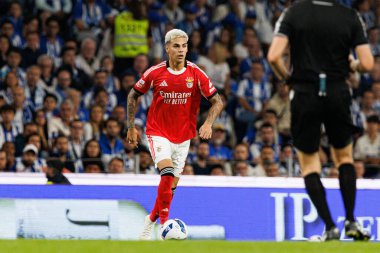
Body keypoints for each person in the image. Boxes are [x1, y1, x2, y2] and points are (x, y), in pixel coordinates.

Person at [267, 0, 374, 241]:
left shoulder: (293, 13)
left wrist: (288, 79)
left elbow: (274, 56)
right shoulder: (350, 16)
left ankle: (330, 227)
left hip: (305, 92)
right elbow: (367, 63)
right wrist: (354, 65)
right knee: (344, 158)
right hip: (337, 91)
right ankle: (350, 221)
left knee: (309, 164)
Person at [127, 29, 223, 240]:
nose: (181, 50)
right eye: (176, 46)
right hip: (158, 131)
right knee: (167, 172)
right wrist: (131, 126)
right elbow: (133, 94)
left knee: (169, 188)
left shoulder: (196, 73)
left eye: (184, 46)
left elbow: (218, 101)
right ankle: (164, 227)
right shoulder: (155, 72)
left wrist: (208, 124)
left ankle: (150, 220)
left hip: (184, 137)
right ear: (167, 48)